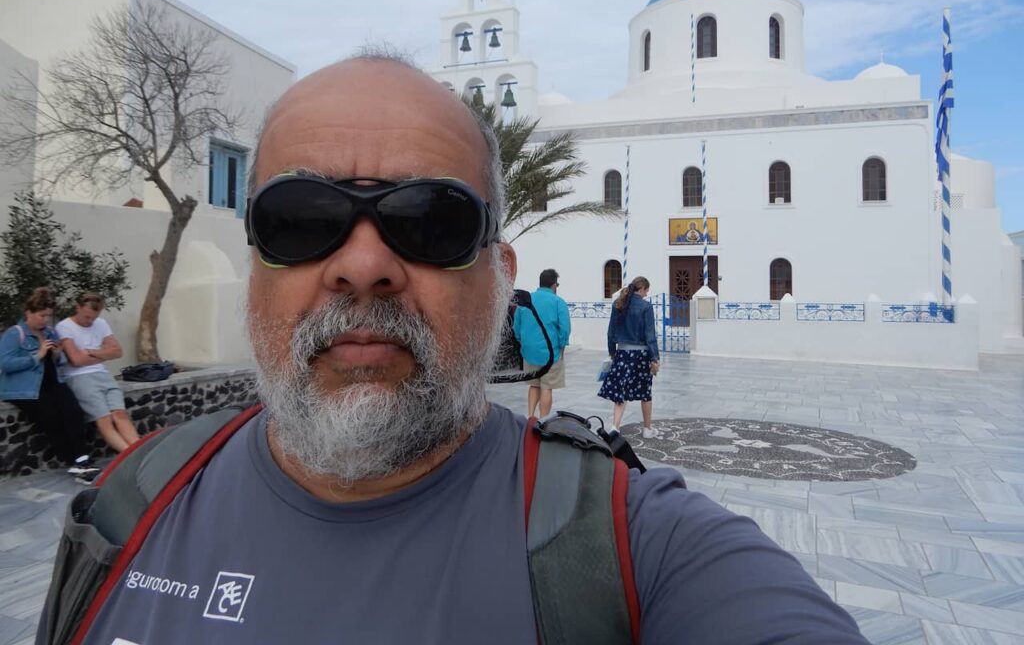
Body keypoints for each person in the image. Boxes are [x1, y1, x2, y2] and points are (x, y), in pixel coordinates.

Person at [70, 53, 868, 644]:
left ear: (501, 279)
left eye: (431, 222)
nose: (363, 265)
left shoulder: (632, 550)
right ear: (254, 266)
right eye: (302, 219)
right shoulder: (128, 505)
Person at [0, 287, 98, 480]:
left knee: (74, 413)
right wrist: (37, 356)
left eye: (48, 316)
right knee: (52, 419)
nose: (45, 320)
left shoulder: (51, 332)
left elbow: (58, 363)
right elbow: (5, 363)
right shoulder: (15, 334)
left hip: (53, 382)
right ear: (29, 312)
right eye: (41, 315)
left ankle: (82, 460)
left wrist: (56, 355)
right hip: (27, 389)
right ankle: (74, 461)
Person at [56, 292, 139, 453]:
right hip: (79, 377)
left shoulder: (100, 323)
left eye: (93, 318)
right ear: (78, 307)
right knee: (104, 419)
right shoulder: (64, 327)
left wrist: (91, 352)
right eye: (87, 317)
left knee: (120, 414)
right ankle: (129, 454)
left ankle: (139, 449)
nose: (90, 322)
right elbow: (76, 360)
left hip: (102, 375)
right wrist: (103, 354)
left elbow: (117, 351)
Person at [599, 277, 660, 437]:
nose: (646, 295)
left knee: (621, 390)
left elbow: (611, 333)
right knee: (646, 392)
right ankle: (647, 429)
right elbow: (650, 335)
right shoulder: (646, 307)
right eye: (646, 291)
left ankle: (615, 427)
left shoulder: (618, 304)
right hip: (641, 355)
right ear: (643, 289)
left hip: (622, 353)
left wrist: (612, 353)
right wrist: (655, 358)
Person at [513, 268, 570, 418]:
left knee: (533, 384)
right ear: (554, 285)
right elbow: (565, 329)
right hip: (551, 352)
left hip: (529, 351)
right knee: (547, 388)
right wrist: (562, 347)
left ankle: (531, 416)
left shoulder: (525, 301)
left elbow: (516, 327)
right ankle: (543, 420)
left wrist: (523, 342)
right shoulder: (558, 302)